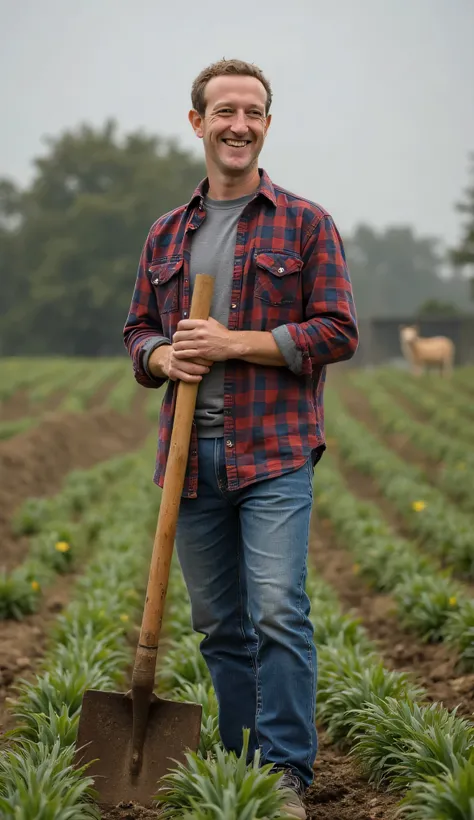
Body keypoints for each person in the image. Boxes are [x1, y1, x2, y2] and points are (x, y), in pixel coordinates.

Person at [124, 58, 358, 819]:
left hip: (275, 453)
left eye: (253, 112)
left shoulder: (306, 222)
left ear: (266, 124)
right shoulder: (166, 233)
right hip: (189, 459)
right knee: (221, 624)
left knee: (278, 612)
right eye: (224, 111)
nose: (239, 125)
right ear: (198, 123)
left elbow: (337, 330)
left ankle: (287, 772)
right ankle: (242, 763)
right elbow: (139, 333)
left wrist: (234, 343)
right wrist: (162, 355)